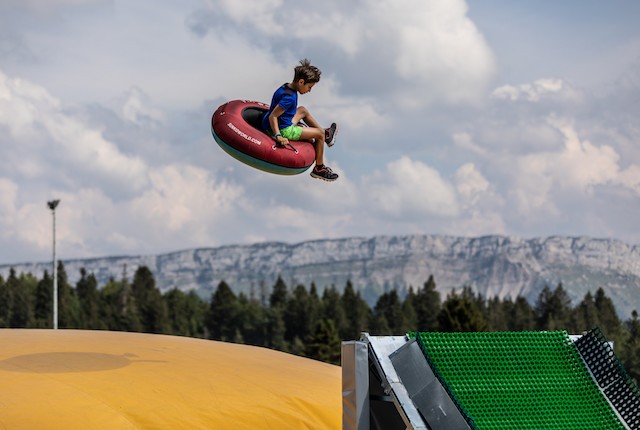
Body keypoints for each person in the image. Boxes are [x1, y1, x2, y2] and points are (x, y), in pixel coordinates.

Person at [262, 59, 339, 182]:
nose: (309, 90)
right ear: (301, 82)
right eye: (309, 87)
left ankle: (328, 136)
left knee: (302, 110)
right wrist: (278, 135)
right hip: (284, 130)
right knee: (320, 134)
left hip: (281, 121)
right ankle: (319, 168)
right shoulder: (289, 98)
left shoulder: (287, 87)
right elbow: (273, 116)